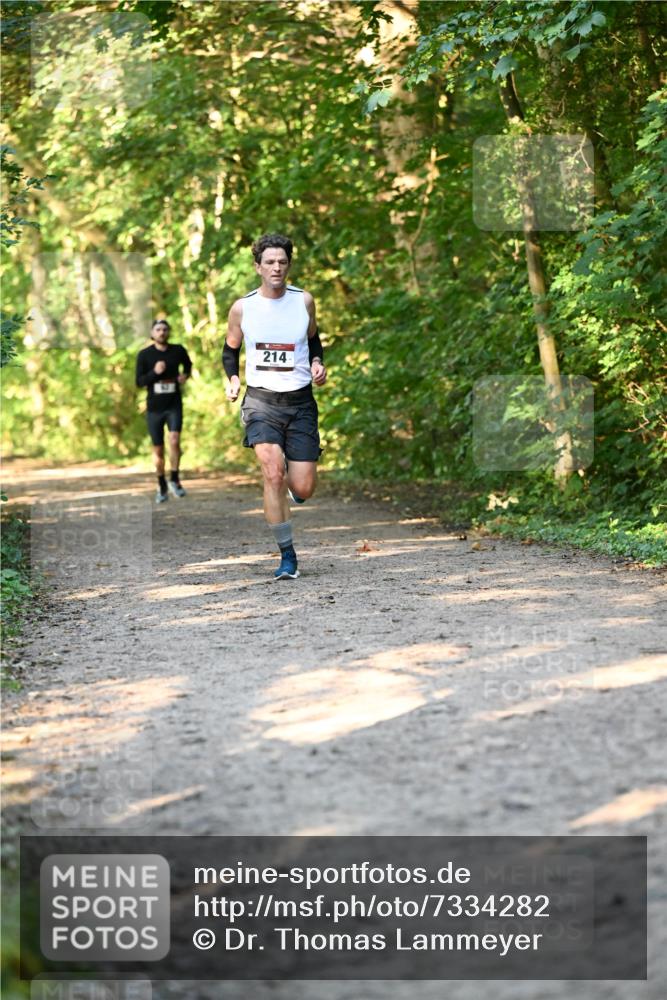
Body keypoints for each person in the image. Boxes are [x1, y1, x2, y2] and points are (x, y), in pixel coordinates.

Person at [223, 233, 327, 579]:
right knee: (272, 472)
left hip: (299, 402)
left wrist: (317, 364)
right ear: (258, 267)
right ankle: (287, 556)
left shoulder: (304, 301)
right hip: (261, 401)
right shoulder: (243, 307)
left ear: (289, 265)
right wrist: (232, 378)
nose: (276, 267)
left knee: (303, 488)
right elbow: (230, 349)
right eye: (269, 262)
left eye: (282, 262)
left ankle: (295, 487)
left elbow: (314, 340)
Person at [135, 319, 192, 503]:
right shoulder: (144, 355)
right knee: (158, 449)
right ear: (152, 333)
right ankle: (161, 484)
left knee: (174, 440)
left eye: (165, 329)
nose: (162, 332)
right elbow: (139, 382)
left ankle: (174, 479)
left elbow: (188, 365)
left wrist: (185, 375)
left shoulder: (178, 350)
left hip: (174, 404)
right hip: (154, 408)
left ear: (169, 332)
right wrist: (155, 372)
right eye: (158, 329)